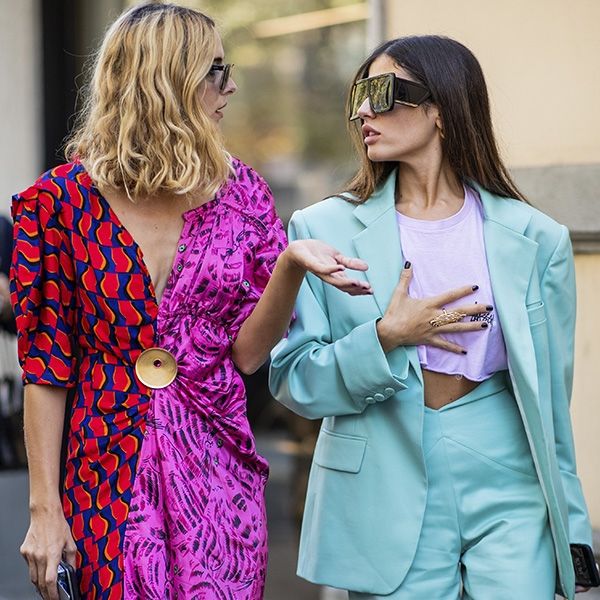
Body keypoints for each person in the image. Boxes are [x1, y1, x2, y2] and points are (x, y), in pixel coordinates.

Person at [10, 4, 372, 599]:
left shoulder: (243, 196)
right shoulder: (58, 204)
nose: (231, 87)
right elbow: (47, 368)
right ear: (168, 80)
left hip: (216, 470)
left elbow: (248, 355)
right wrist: (44, 510)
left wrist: (289, 267)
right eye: (216, 70)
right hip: (102, 472)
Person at [269, 35, 595, 600]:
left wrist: (573, 526)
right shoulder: (321, 229)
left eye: (381, 92)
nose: (363, 111)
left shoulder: (537, 238)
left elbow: (550, 406)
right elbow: (293, 379)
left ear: (441, 106)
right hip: (385, 476)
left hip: (508, 474)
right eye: (358, 95)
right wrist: (385, 337)